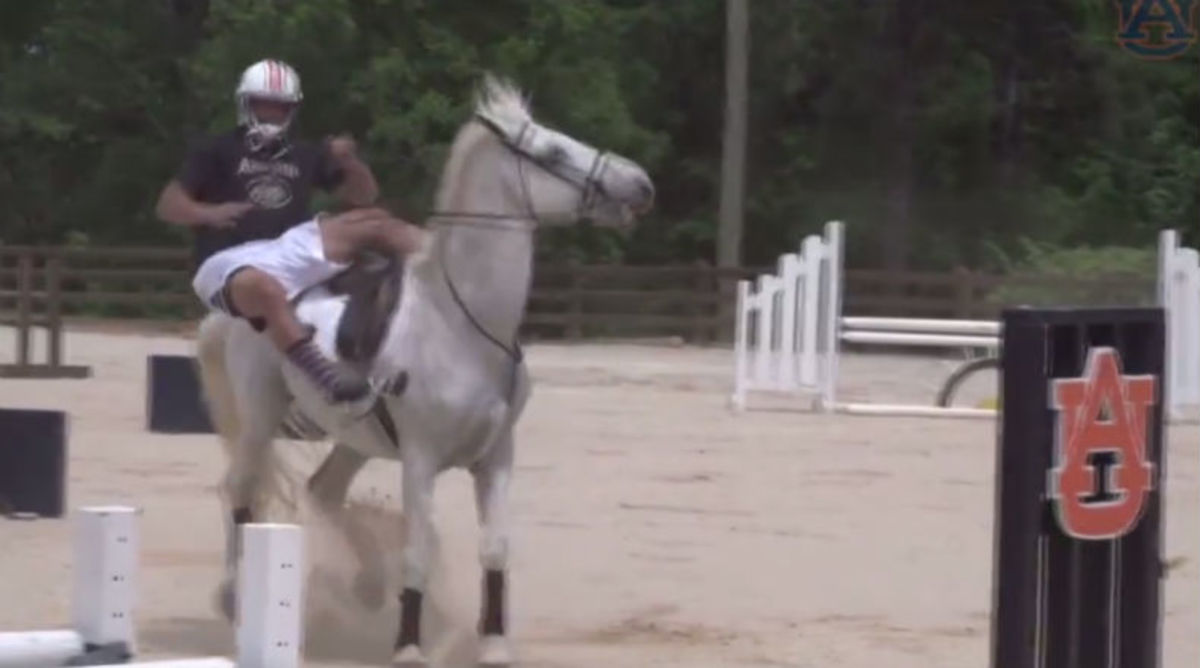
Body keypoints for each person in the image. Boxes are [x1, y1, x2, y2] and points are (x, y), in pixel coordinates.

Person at [155, 58, 423, 405]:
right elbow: (168, 204)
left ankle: (456, 260)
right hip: (228, 261)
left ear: (291, 109)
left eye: (278, 106)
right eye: (262, 104)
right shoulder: (216, 149)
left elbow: (364, 195)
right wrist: (208, 213)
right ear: (246, 105)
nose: (270, 113)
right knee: (264, 289)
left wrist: (350, 162)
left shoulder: (306, 151)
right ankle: (326, 378)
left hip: (291, 244)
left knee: (375, 220)